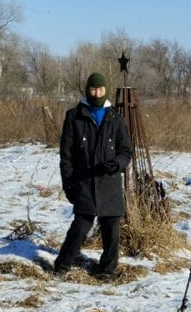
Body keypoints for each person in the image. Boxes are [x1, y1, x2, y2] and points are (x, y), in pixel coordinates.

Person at [54, 72, 133, 276]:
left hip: (109, 183)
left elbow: (126, 151)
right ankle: (62, 266)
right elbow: (66, 155)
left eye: (100, 89)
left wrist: (117, 164)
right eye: (93, 89)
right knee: (80, 228)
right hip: (84, 182)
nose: (96, 93)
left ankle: (107, 271)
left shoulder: (115, 118)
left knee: (111, 230)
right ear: (87, 90)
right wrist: (68, 184)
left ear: (105, 90)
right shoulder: (74, 116)